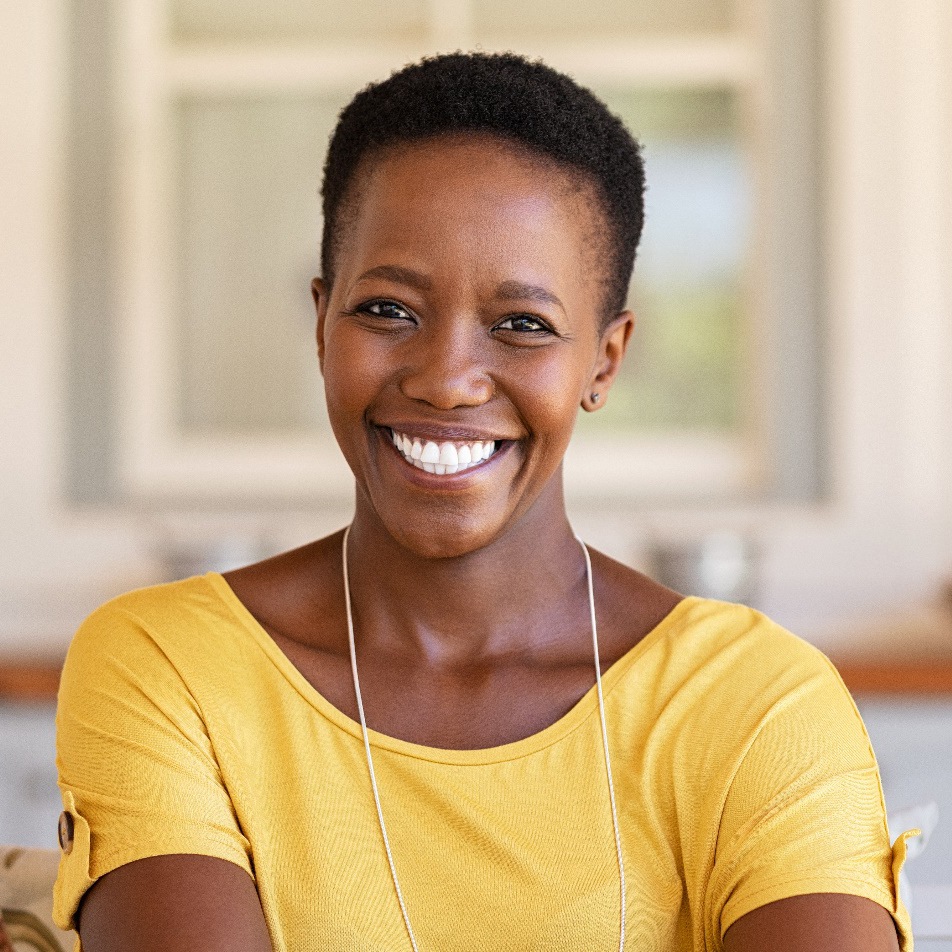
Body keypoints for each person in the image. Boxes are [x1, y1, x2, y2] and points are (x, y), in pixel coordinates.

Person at [53, 52, 915, 952]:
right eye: (388, 310)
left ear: (605, 362)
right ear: (321, 324)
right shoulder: (169, 669)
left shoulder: (757, 702)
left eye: (523, 325)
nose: (447, 380)